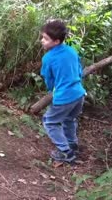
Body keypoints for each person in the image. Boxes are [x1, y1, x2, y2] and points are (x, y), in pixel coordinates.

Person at [40, 19, 86, 162]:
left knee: (50, 122)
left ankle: (66, 152)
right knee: (69, 119)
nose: (42, 41)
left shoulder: (48, 58)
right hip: (79, 94)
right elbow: (79, 70)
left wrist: (51, 90)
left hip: (64, 97)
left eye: (46, 39)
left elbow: (49, 79)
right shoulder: (71, 51)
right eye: (42, 37)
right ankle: (72, 144)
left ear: (57, 41)